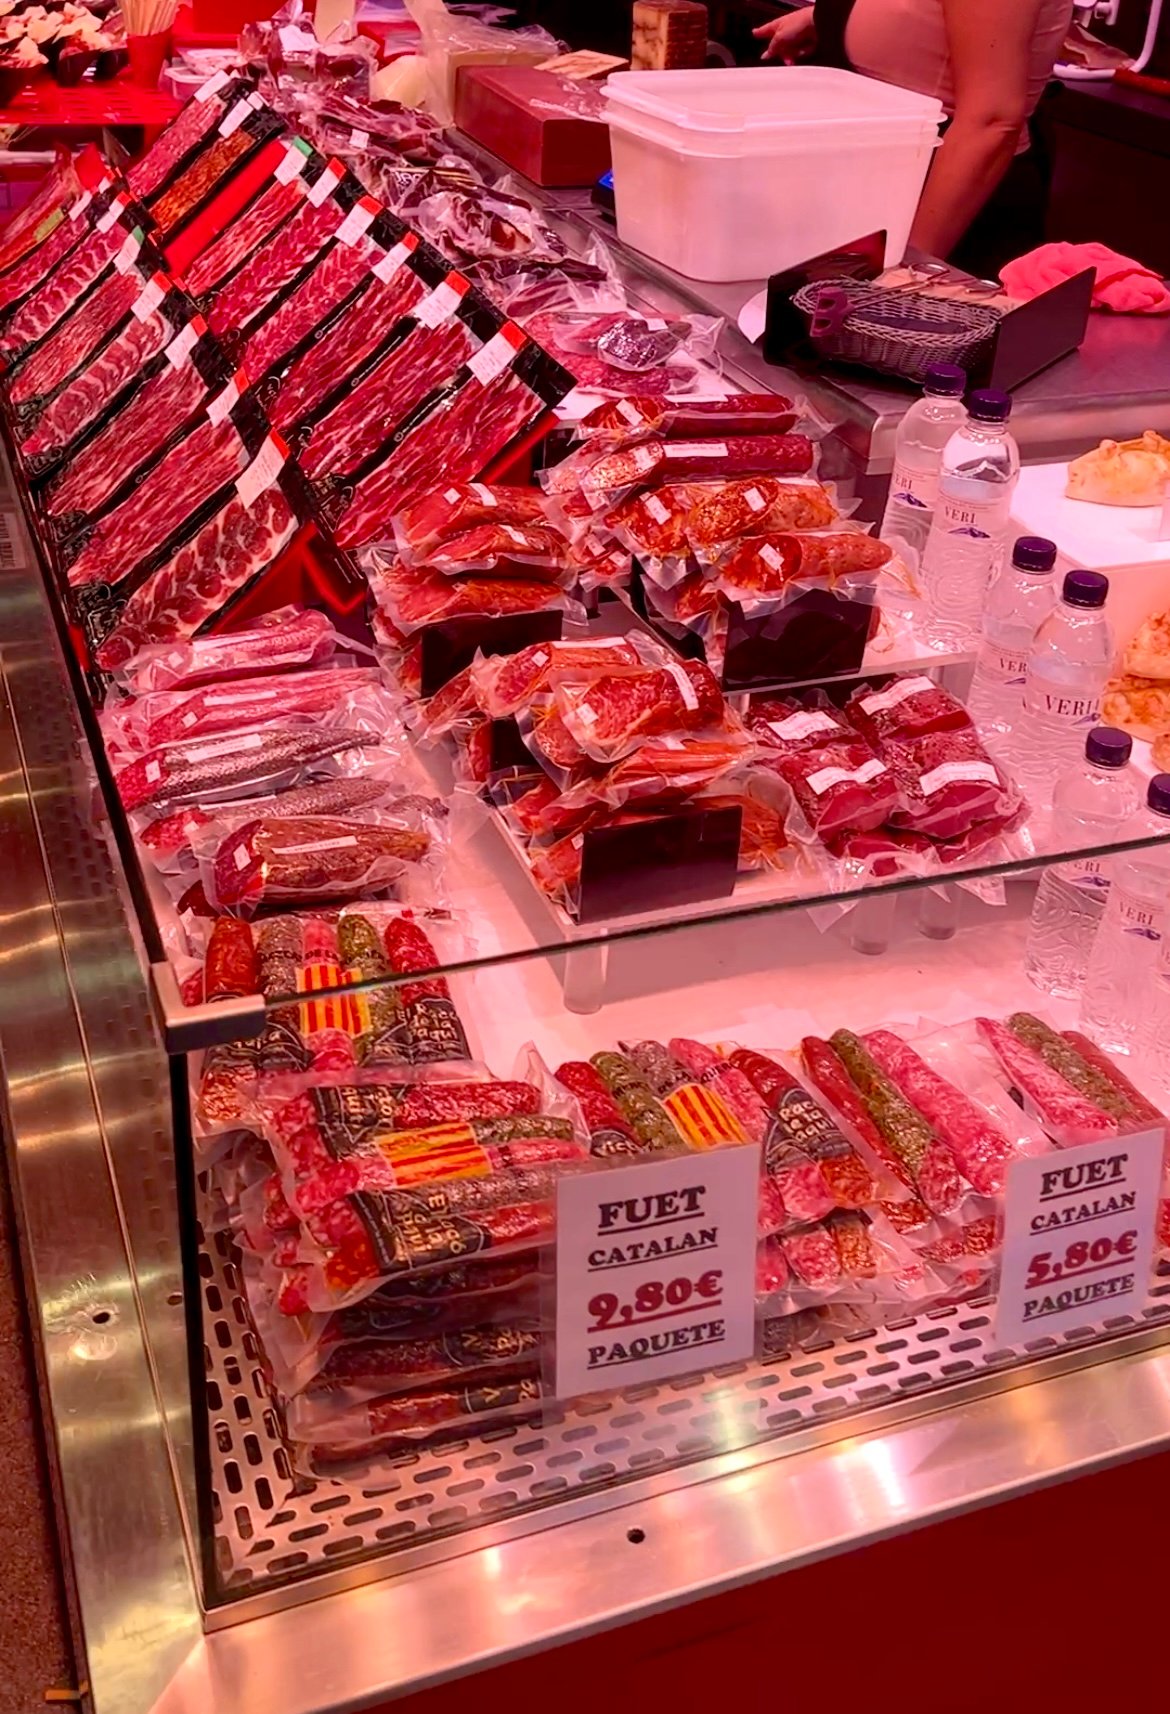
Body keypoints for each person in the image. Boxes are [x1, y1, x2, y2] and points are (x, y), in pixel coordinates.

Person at [753, 0, 1074, 272]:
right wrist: (830, 18)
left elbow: (993, 121)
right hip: (875, 187)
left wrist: (906, 267)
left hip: (945, 195)